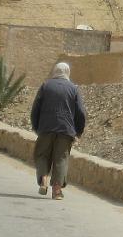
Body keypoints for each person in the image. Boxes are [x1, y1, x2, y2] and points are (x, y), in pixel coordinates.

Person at [30, 62, 86, 200]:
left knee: (42, 155)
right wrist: (78, 131)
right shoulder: (73, 89)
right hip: (66, 130)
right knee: (61, 159)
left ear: (55, 71)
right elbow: (81, 112)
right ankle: (56, 191)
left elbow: (35, 109)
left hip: (46, 128)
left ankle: (43, 181)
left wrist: (36, 127)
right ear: (67, 72)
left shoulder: (45, 86)